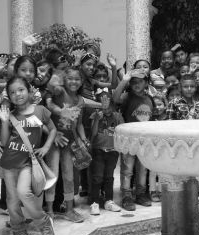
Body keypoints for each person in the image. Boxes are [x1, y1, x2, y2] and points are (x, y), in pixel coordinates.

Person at [0, 76, 56, 235]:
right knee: (12, 200)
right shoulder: (11, 115)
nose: (17, 94)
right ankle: (18, 228)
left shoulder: (41, 110)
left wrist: (45, 148)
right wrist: (5, 122)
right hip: (9, 164)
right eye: (12, 92)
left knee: (23, 192)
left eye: (20, 90)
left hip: (28, 163)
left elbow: (52, 130)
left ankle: (43, 222)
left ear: (29, 90)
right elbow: (5, 142)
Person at [45, 66, 88, 222]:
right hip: (54, 140)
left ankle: (69, 210)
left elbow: (80, 124)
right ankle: (49, 211)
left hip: (70, 143)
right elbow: (49, 97)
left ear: (82, 81)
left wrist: (83, 139)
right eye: (70, 78)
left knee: (69, 176)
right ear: (64, 80)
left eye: (77, 79)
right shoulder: (60, 92)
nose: (74, 82)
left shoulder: (81, 100)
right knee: (53, 174)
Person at [113, 69, 155, 210]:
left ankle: (141, 194)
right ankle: (126, 196)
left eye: (140, 81)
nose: (136, 84)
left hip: (144, 141)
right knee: (127, 170)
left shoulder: (149, 99)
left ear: (146, 83)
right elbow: (115, 98)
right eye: (134, 82)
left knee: (143, 169)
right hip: (128, 140)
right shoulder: (127, 97)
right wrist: (124, 80)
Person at [88, 87, 123, 215]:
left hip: (113, 151)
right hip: (98, 150)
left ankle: (109, 201)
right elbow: (93, 134)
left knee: (109, 177)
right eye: (103, 106)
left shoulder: (118, 116)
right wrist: (97, 118)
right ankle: (94, 202)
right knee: (97, 177)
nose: (106, 109)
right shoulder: (95, 115)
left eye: (109, 106)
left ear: (113, 105)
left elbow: (122, 132)